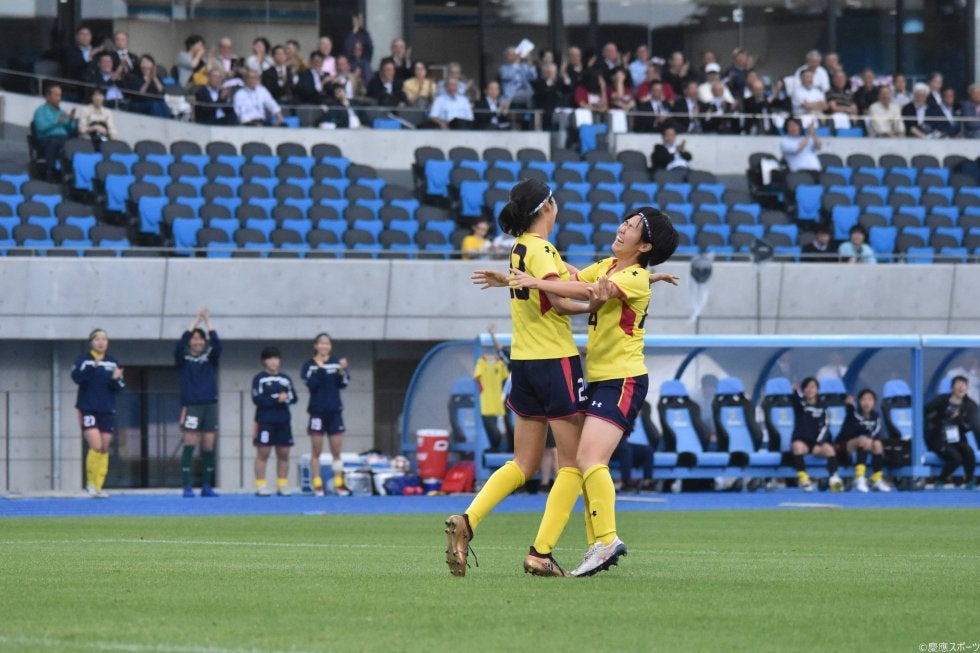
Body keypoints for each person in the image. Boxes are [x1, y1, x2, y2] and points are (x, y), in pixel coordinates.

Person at [509, 206, 679, 576]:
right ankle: (597, 543)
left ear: (644, 246)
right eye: (625, 221)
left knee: (588, 459)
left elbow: (582, 289)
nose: (622, 227)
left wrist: (535, 281)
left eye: (632, 227)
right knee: (584, 463)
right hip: (603, 378)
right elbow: (574, 275)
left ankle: (606, 540)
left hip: (624, 379)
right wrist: (542, 262)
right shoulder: (611, 266)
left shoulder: (633, 276)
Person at [447, 179, 594, 578]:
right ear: (547, 206)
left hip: (524, 363)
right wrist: (596, 303)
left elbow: (561, 280)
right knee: (572, 465)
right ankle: (541, 552)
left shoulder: (519, 248)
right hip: (555, 360)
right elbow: (559, 300)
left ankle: (468, 520)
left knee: (523, 462)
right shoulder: (542, 249)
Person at [174, 309, 222, 498]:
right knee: (190, 443)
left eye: (201, 339)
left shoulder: (210, 357)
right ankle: (187, 486)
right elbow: (180, 343)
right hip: (192, 405)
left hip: (210, 405)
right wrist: (196, 320)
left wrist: (207, 321)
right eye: (194, 338)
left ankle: (206, 486)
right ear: (190, 341)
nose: (198, 341)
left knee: (209, 444)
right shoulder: (183, 357)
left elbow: (217, 344)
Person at [71, 328, 124, 498]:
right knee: (96, 446)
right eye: (97, 339)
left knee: (104, 448)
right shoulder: (83, 360)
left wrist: (115, 379)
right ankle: (91, 484)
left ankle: (99, 486)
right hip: (88, 408)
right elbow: (77, 378)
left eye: (104, 339)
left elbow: (119, 387)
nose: (101, 342)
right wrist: (92, 367)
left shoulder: (112, 362)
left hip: (107, 409)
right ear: (91, 342)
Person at [300, 333, 352, 497]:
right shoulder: (309, 366)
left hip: (335, 411)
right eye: (321, 343)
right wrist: (320, 368)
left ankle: (338, 484)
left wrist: (342, 370)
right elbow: (312, 384)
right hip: (317, 412)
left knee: (336, 451)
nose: (324, 346)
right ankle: (317, 485)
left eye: (327, 344)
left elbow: (343, 383)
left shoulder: (336, 363)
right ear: (316, 345)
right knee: (316, 450)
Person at [252, 346, 297, 496]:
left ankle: (282, 485)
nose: (273, 362)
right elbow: (257, 399)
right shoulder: (259, 379)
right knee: (263, 453)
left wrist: (285, 398)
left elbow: (294, 397)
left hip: (283, 421)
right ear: (264, 361)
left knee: (284, 453)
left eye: (276, 358)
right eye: (270, 358)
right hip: (265, 421)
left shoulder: (285, 379)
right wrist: (276, 399)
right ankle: (261, 485)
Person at [924, 376, 978, 490]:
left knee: (969, 452)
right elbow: (925, 411)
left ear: (967, 388)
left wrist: (958, 419)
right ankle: (940, 480)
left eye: (964, 385)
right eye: (958, 384)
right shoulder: (941, 400)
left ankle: (970, 481)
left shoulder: (970, 405)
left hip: (957, 438)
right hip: (939, 438)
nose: (961, 387)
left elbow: (970, 425)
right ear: (952, 388)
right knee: (956, 458)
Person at [790, 377, 842, 492]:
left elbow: (826, 425)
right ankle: (804, 479)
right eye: (807, 387)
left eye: (813, 387)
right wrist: (794, 391)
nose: (810, 390)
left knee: (829, 449)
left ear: (817, 390)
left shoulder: (823, 406)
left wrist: (819, 443)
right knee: (797, 447)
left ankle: (834, 478)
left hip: (817, 442)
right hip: (802, 441)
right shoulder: (800, 404)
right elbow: (795, 399)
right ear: (803, 390)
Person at [838, 389, 890, 493]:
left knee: (878, 444)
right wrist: (848, 404)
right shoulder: (853, 413)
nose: (867, 403)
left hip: (867, 443)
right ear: (859, 401)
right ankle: (859, 477)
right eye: (864, 399)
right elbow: (849, 408)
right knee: (863, 440)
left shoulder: (876, 416)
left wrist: (869, 439)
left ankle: (877, 478)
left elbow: (876, 432)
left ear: (874, 402)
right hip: (846, 445)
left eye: (870, 400)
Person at [473, 324, 509, 452]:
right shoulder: (482, 363)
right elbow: (502, 350)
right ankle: (498, 448)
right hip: (491, 403)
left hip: (502, 402)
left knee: (507, 426)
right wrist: (492, 334)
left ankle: (508, 448)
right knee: (497, 430)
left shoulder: (501, 364)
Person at [32, 84, 78, 181]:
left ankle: (70, 173)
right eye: (56, 95)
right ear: (48, 96)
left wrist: (71, 120)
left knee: (73, 144)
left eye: (60, 95)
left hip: (63, 139)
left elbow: (71, 129)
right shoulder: (40, 111)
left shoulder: (61, 112)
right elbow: (41, 128)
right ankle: (50, 171)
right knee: (55, 142)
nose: (59, 98)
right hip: (46, 139)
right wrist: (57, 121)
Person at [614, 400, 658, 492]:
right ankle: (625, 482)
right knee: (626, 449)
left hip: (625, 443)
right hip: (612, 443)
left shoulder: (642, 406)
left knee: (648, 450)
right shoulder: (615, 402)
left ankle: (647, 482)